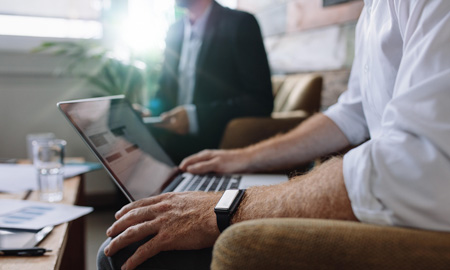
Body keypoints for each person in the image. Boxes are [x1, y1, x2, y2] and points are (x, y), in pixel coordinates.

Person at [98, 1, 450, 269]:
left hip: (416, 213)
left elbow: (420, 163)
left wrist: (224, 208)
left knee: (123, 252)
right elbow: (352, 111)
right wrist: (241, 157)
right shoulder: (372, 12)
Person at [146, 0, 273, 164]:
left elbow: (261, 101)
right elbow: (164, 90)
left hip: (216, 148)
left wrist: (194, 117)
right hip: (168, 146)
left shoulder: (240, 23)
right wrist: (149, 112)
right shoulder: (174, 31)